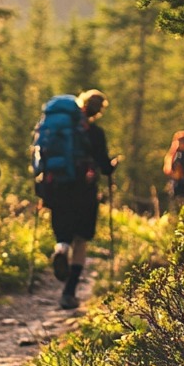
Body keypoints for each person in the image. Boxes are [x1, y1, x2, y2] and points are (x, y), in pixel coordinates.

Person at [48, 89, 115, 310]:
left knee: (64, 232)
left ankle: (60, 250)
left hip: (58, 187)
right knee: (81, 239)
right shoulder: (95, 132)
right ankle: (68, 292)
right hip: (84, 189)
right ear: (99, 111)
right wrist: (111, 165)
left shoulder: (59, 129)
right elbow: (104, 166)